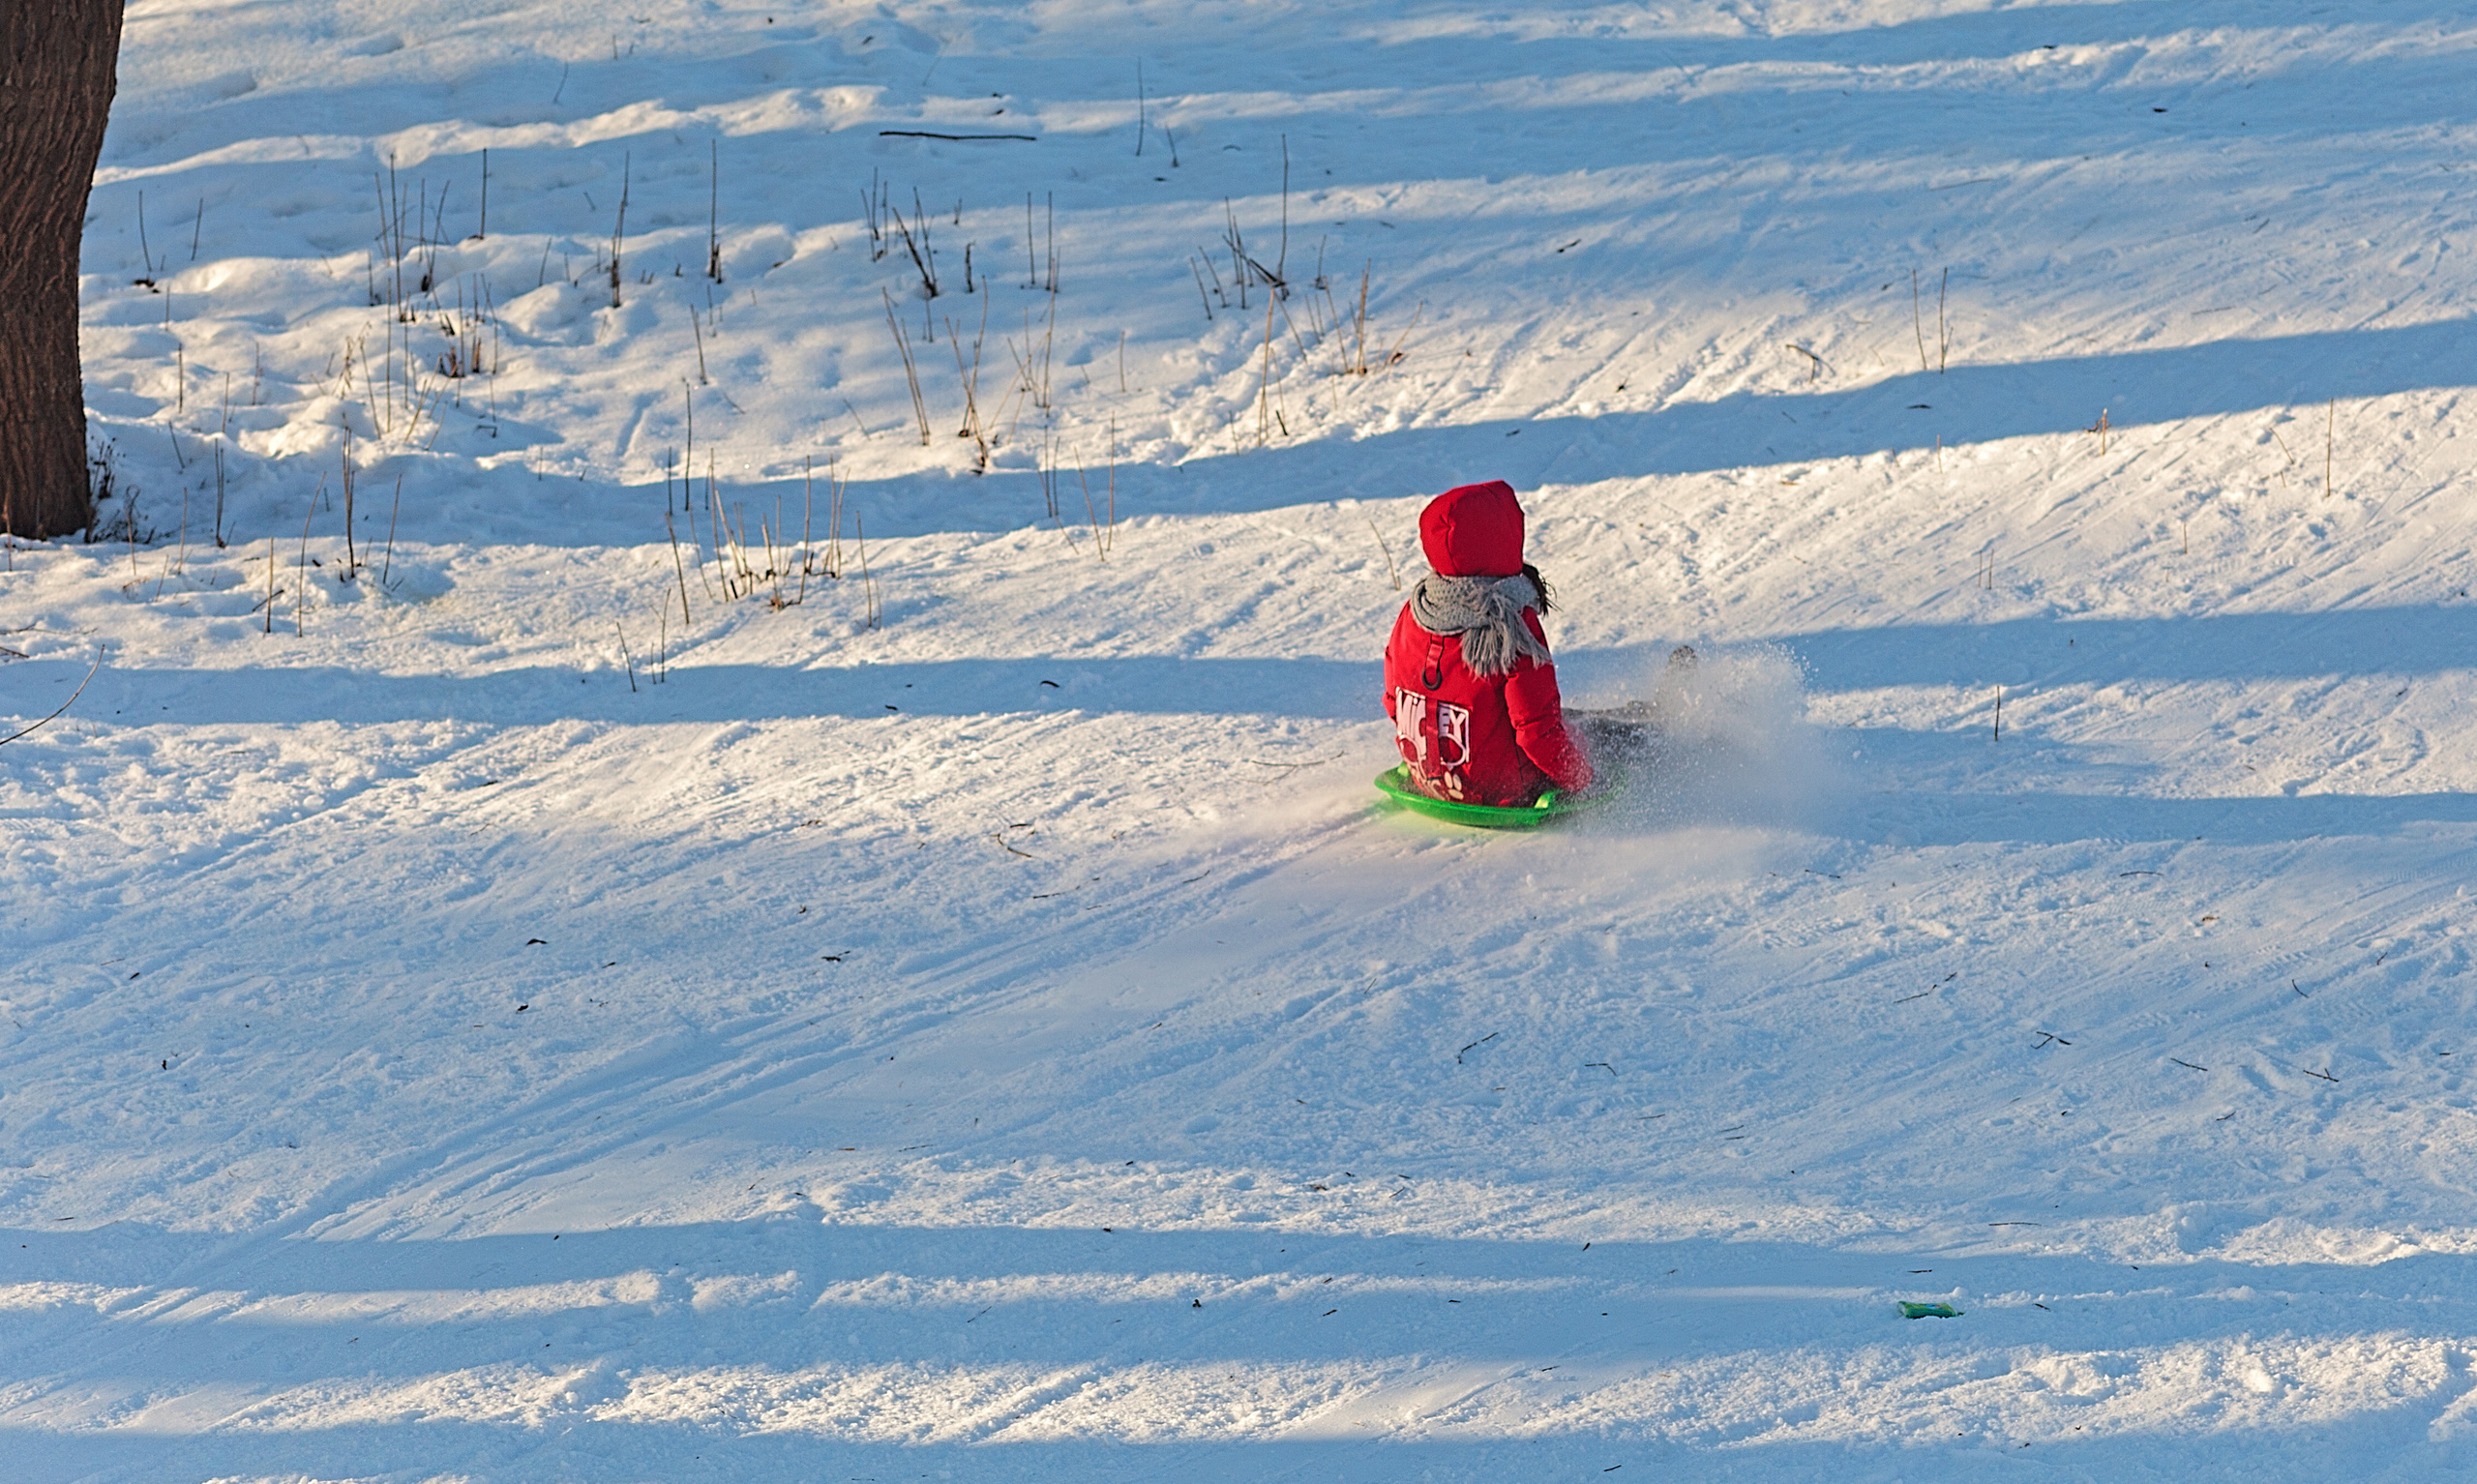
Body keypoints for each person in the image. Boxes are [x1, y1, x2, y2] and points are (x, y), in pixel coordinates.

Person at [1383, 480, 1594, 806]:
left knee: (1568, 718)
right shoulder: (1510, 623)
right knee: (1595, 733)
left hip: (1434, 779)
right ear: (1505, 539)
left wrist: (1433, 759)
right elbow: (1537, 733)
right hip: (1506, 791)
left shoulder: (1416, 611)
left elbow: (1394, 700)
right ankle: (1661, 726)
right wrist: (1583, 780)